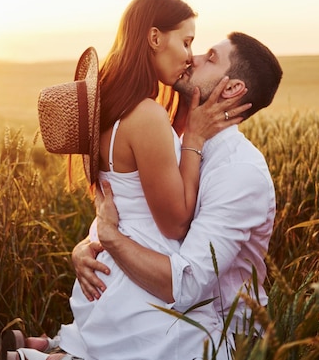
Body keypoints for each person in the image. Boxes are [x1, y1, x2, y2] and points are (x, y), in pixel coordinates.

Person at [2, 0, 249, 360]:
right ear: (154, 38)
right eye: (186, 41)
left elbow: (122, 199)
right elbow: (175, 224)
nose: (188, 56)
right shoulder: (146, 115)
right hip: (141, 281)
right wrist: (195, 137)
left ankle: (38, 353)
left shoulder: (111, 109)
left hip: (115, 272)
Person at [74, 31, 283, 359]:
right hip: (168, 312)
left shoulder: (239, 172)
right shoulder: (176, 142)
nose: (193, 58)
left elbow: (186, 285)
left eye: (210, 57)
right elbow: (132, 217)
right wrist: (87, 247)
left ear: (231, 89)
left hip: (216, 334)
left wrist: (111, 239)